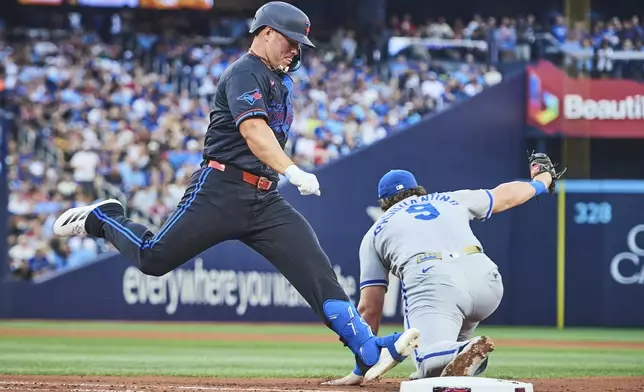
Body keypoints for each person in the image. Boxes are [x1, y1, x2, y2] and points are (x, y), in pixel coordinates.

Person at [52, 0, 419, 382]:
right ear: (267, 33)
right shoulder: (245, 72)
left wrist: (283, 175)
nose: (295, 51)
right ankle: (104, 217)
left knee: (317, 272)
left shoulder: (278, 80)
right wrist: (293, 170)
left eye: (299, 46)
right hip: (221, 189)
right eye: (290, 42)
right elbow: (253, 132)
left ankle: (366, 349)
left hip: (264, 199)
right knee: (153, 259)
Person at [325, 152, 565, 385]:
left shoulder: (376, 231)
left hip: (435, 283)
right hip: (486, 280)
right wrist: (542, 181)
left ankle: (458, 351)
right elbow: (505, 195)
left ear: (383, 202)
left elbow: (370, 308)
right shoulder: (449, 198)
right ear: (418, 190)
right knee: (440, 359)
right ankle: (453, 356)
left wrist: (361, 368)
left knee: (424, 357)